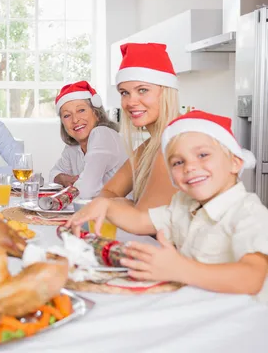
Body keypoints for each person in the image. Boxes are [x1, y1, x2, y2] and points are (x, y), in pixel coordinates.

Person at [69, 110, 268, 301]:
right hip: (199, 306)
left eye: (203, 155)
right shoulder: (183, 204)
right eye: (178, 162)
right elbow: (139, 221)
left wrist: (181, 269)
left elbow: (252, 278)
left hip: (239, 320)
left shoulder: (248, 213)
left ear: (235, 162)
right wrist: (105, 205)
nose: (189, 167)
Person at [75, 43, 181, 221]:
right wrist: (120, 205)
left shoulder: (176, 143)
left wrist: (118, 205)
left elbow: (142, 218)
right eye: (125, 92)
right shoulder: (149, 146)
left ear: (166, 92)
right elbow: (109, 191)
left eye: (142, 90)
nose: (131, 102)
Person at [49, 81, 127, 199]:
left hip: (121, 213)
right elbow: (53, 174)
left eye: (81, 110)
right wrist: (64, 179)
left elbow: (86, 191)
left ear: (96, 113)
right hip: (96, 213)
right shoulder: (72, 148)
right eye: (67, 115)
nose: (75, 120)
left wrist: (73, 185)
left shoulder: (102, 134)